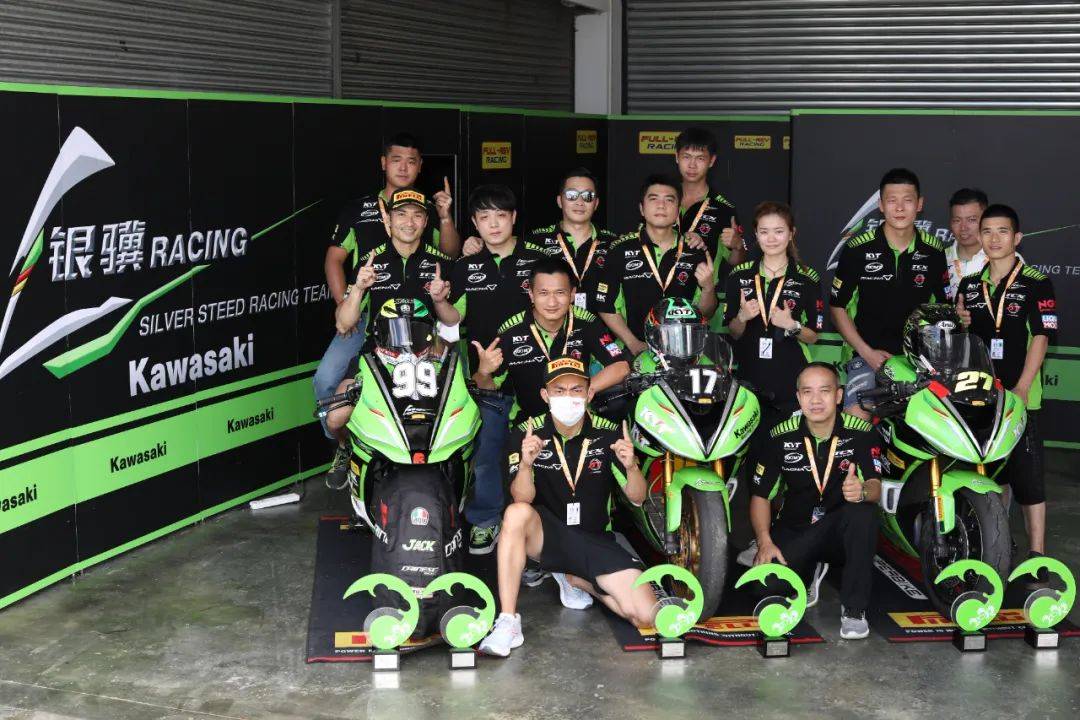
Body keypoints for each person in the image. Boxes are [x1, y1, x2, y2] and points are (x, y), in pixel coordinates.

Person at [478, 357, 656, 656]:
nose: (568, 397)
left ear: (589, 394)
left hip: (596, 540)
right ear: (545, 395)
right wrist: (526, 465)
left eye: (576, 390)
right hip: (549, 537)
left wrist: (632, 466)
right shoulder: (526, 433)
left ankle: (579, 580)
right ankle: (508, 621)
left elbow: (638, 498)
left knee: (646, 616)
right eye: (559, 391)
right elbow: (521, 499)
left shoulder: (610, 433)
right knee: (516, 514)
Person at [314, 132, 459, 444]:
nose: (403, 168)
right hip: (368, 317)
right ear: (383, 163)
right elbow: (333, 260)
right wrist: (347, 304)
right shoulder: (358, 209)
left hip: (419, 324)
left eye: (411, 161)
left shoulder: (428, 209)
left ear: (420, 166)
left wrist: (446, 217)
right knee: (326, 381)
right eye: (396, 160)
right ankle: (345, 448)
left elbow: (449, 254)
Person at [324, 188, 459, 485]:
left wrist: (439, 301)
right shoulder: (369, 262)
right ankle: (346, 447)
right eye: (401, 214)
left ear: (426, 222)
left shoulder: (442, 264)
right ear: (388, 220)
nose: (409, 222)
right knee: (334, 418)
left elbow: (454, 321)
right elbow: (344, 324)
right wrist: (358, 289)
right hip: (377, 359)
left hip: (428, 360)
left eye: (417, 215)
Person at [750, 362, 882, 640]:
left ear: (839, 395)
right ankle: (808, 571)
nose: (816, 400)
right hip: (798, 528)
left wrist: (862, 492)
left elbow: (875, 486)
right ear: (798, 397)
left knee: (864, 513)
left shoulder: (862, 432)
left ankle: (854, 610)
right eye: (808, 392)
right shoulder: (779, 435)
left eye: (825, 391)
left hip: (840, 532)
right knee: (766, 587)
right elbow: (761, 496)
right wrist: (764, 541)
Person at [448, 184, 546, 554]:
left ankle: (542, 520)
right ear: (474, 223)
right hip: (487, 377)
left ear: (514, 218)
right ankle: (485, 520)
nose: (493, 224)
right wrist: (440, 300)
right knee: (487, 453)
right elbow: (452, 319)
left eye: (501, 216)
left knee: (540, 450)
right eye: (484, 217)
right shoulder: (465, 266)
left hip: (536, 376)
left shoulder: (538, 260)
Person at [956, 203, 1055, 562]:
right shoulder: (969, 284)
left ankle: (1037, 555)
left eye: (1002, 231)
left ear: (1017, 238)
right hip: (979, 397)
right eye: (987, 231)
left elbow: (1042, 337)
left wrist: (1023, 387)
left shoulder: (1036, 283)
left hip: (1020, 397)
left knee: (1028, 481)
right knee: (987, 474)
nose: (994, 239)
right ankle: (992, 546)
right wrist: (960, 320)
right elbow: (963, 340)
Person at [830, 168, 948, 419]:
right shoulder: (857, 248)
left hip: (916, 362)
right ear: (881, 206)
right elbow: (837, 307)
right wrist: (867, 352)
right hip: (865, 357)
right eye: (892, 200)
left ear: (920, 204)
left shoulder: (934, 250)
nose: (900, 208)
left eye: (908, 200)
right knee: (856, 422)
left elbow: (941, 310)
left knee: (927, 425)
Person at [473, 256, 630, 423]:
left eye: (560, 292)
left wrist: (575, 394)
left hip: (579, 419)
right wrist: (483, 372)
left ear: (572, 294)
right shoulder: (510, 331)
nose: (552, 302)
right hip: (529, 424)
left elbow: (621, 367)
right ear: (531, 294)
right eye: (544, 293)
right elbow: (485, 388)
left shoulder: (587, 322)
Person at [596, 174, 717, 356]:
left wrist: (708, 288)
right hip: (634, 351)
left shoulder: (695, 250)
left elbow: (705, 312)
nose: (661, 205)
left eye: (669, 200)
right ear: (642, 209)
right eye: (653, 199)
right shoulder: (620, 249)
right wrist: (633, 343)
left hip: (683, 352)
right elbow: (605, 306)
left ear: (678, 210)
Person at [724, 201, 822, 422]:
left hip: (790, 378)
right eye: (764, 232)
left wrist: (792, 325)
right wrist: (742, 317)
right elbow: (734, 332)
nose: (771, 239)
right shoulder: (739, 275)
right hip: (748, 376)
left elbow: (813, 337)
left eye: (778, 231)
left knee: (787, 440)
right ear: (756, 234)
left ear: (791, 233)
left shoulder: (807, 278)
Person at [524, 168, 619, 315]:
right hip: (552, 328)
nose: (580, 202)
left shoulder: (614, 243)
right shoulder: (535, 241)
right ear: (559, 201)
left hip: (602, 328)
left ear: (596, 203)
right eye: (571, 195)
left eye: (588, 196)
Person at [675, 127, 746, 272]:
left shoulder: (724, 209)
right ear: (677, 157)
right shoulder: (662, 200)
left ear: (711, 161)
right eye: (686, 157)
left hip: (704, 286)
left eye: (700, 158)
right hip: (661, 285)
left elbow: (735, 262)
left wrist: (738, 246)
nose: (692, 165)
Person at [945, 188, 989, 294]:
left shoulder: (1007, 259)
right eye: (957, 220)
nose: (963, 227)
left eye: (971, 220)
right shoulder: (938, 260)